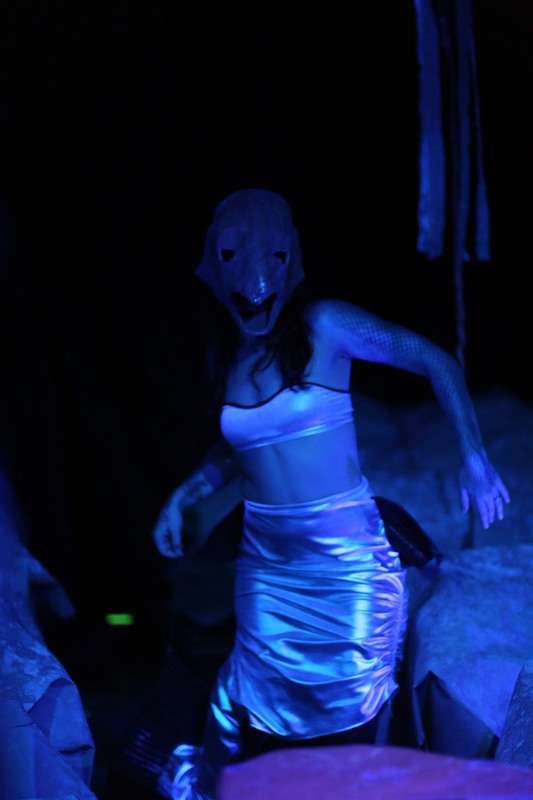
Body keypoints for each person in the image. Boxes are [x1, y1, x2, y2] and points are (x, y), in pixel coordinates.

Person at [152, 189, 510, 800]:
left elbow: (435, 360)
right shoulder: (230, 353)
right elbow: (240, 446)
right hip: (266, 568)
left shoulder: (326, 325)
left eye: (270, 259)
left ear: (289, 260)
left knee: (350, 721)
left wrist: (474, 458)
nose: (255, 283)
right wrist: (186, 491)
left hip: (344, 566)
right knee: (244, 703)